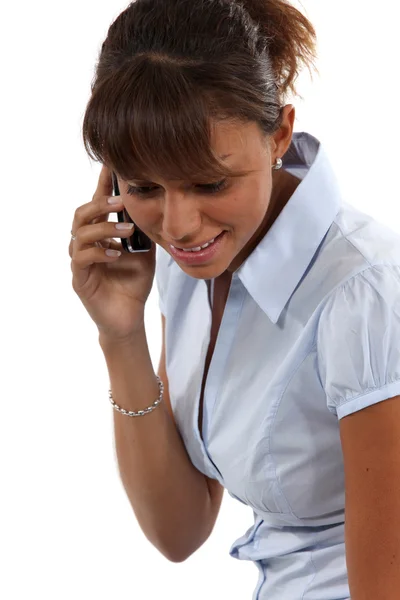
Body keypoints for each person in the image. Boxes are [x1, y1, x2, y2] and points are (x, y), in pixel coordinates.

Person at [69, 1, 400, 598]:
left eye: (210, 182)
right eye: (144, 187)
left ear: (279, 133)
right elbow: (179, 530)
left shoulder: (366, 295)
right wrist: (120, 334)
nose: (179, 225)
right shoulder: (186, 266)